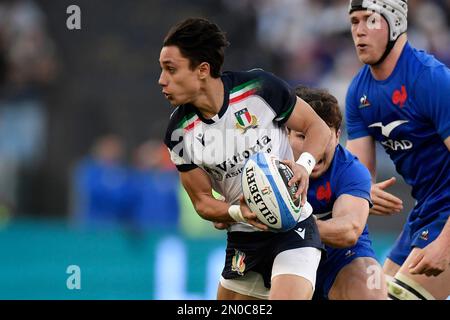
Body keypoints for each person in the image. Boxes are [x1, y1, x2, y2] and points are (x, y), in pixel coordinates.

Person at [160, 18, 331, 300]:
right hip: (243, 240)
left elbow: (318, 128)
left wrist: (304, 165)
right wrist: (237, 212)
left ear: (203, 70)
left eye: (171, 69)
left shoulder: (259, 87)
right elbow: (202, 200)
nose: (161, 80)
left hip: (293, 227)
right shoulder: (179, 132)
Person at [346, 0, 450, 300]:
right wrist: (363, 192)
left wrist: (445, 244)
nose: (360, 32)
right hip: (426, 211)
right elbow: (356, 175)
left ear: (395, 23)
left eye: (370, 20)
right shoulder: (359, 93)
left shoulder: (431, 79)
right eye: (354, 22)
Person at [288, 85, 386, 300]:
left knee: (372, 282)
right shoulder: (266, 166)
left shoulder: (352, 170)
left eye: (323, 136)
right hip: (280, 255)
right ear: (286, 135)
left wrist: (288, 225)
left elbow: (349, 230)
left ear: (337, 135)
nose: (314, 147)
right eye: (302, 136)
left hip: (340, 257)